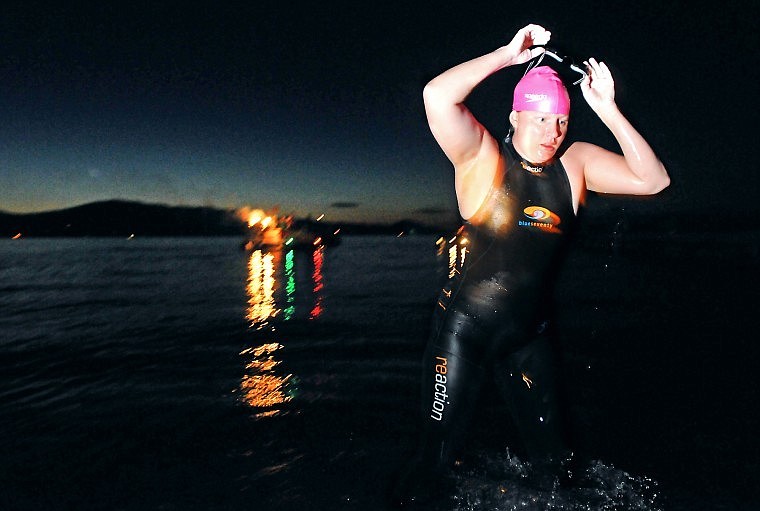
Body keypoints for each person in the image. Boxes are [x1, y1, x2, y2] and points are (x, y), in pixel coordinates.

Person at [392, 24, 670, 506]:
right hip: (464, 331)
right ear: (516, 116)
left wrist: (608, 110)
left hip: (530, 334)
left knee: (556, 467)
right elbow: (436, 95)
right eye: (540, 120)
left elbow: (654, 180)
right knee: (437, 458)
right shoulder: (482, 156)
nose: (552, 132)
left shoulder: (575, 163)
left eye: (561, 121)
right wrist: (505, 55)